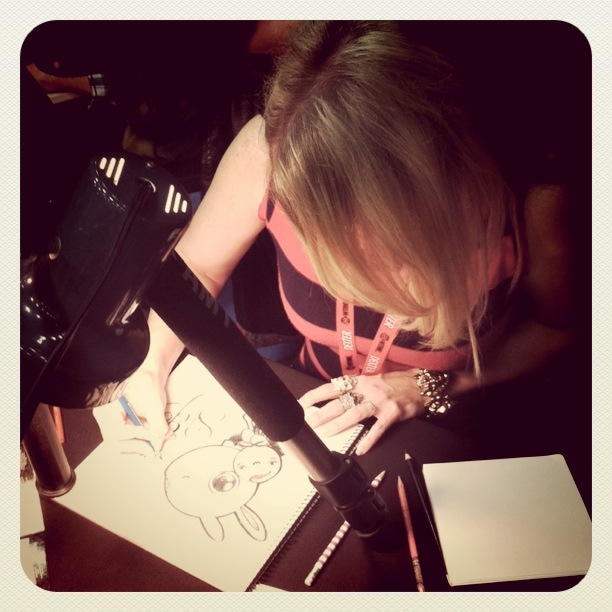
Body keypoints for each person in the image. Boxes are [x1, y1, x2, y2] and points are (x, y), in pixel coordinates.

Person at [95, 21, 579, 457]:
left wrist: (432, 384)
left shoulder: (531, 202)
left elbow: (561, 331)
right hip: (312, 405)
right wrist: (151, 364)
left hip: (447, 431)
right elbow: (196, 271)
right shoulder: (269, 152)